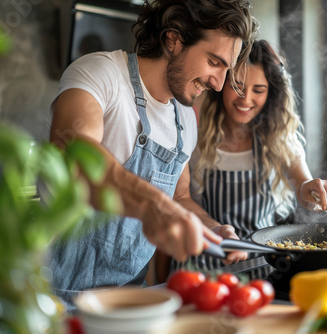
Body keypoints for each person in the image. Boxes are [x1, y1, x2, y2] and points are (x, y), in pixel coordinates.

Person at [47, 0, 257, 309]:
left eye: (226, 69)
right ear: (173, 40)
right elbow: (78, 159)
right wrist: (155, 206)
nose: (218, 83)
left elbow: (180, 198)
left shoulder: (184, 118)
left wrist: (212, 230)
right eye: (214, 62)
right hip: (51, 299)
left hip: (128, 300)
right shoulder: (100, 74)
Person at [168, 40, 327, 279]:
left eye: (259, 90)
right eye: (237, 86)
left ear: (271, 94)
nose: (246, 99)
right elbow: (180, 199)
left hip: (260, 268)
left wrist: (312, 191)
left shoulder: (279, 138)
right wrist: (219, 230)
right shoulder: (191, 134)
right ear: (221, 84)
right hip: (202, 267)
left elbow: (303, 188)